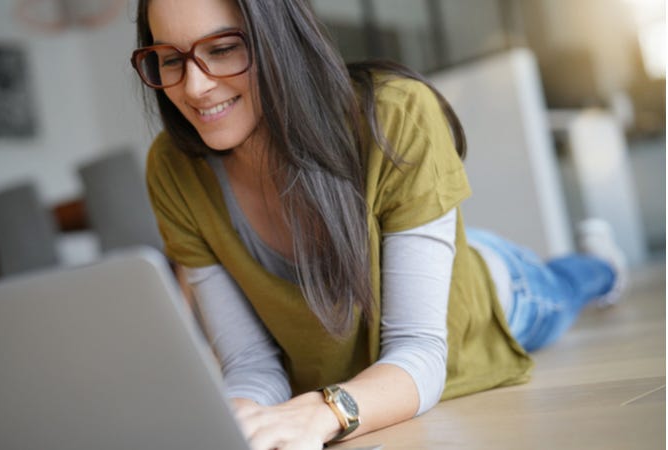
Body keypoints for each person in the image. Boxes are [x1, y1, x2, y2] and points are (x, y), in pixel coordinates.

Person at [130, 0, 628, 448]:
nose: (194, 86)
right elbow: (250, 365)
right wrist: (240, 415)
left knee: (568, 285)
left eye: (222, 49)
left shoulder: (397, 113)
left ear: (278, 36)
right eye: (171, 60)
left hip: (488, 295)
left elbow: (419, 349)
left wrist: (327, 412)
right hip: (390, 293)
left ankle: (602, 262)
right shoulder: (171, 170)